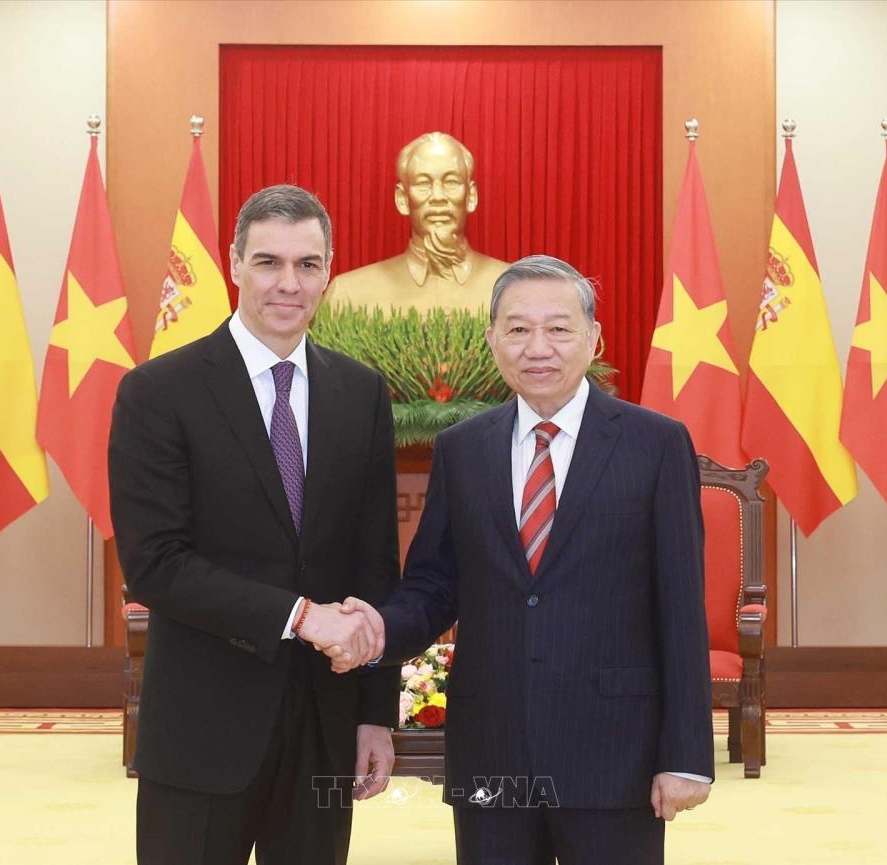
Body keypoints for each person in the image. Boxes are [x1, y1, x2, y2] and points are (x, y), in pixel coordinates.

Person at [333, 255, 714, 865]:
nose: (538, 347)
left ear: (593, 338)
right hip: (493, 749)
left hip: (615, 750)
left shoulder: (656, 444)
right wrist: (377, 629)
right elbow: (434, 585)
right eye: (517, 329)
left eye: (558, 328)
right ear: (492, 340)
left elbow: (681, 606)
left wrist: (687, 755)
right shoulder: (462, 449)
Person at [109, 184, 399, 865]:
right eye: (269, 262)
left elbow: (375, 564)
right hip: (202, 726)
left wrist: (374, 714)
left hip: (325, 726)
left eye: (307, 264)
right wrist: (299, 616)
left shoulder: (361, 393)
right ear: (235, 262)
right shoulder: (158, 391)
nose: (288, 283)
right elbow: (155, 563)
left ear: (328, 272)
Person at [326, 131, 509, 315]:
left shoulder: (516, 289)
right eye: (423, 184)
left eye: (451, 182)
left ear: (471, 196)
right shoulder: (348, 297)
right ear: (402, 199)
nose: (438, 197)